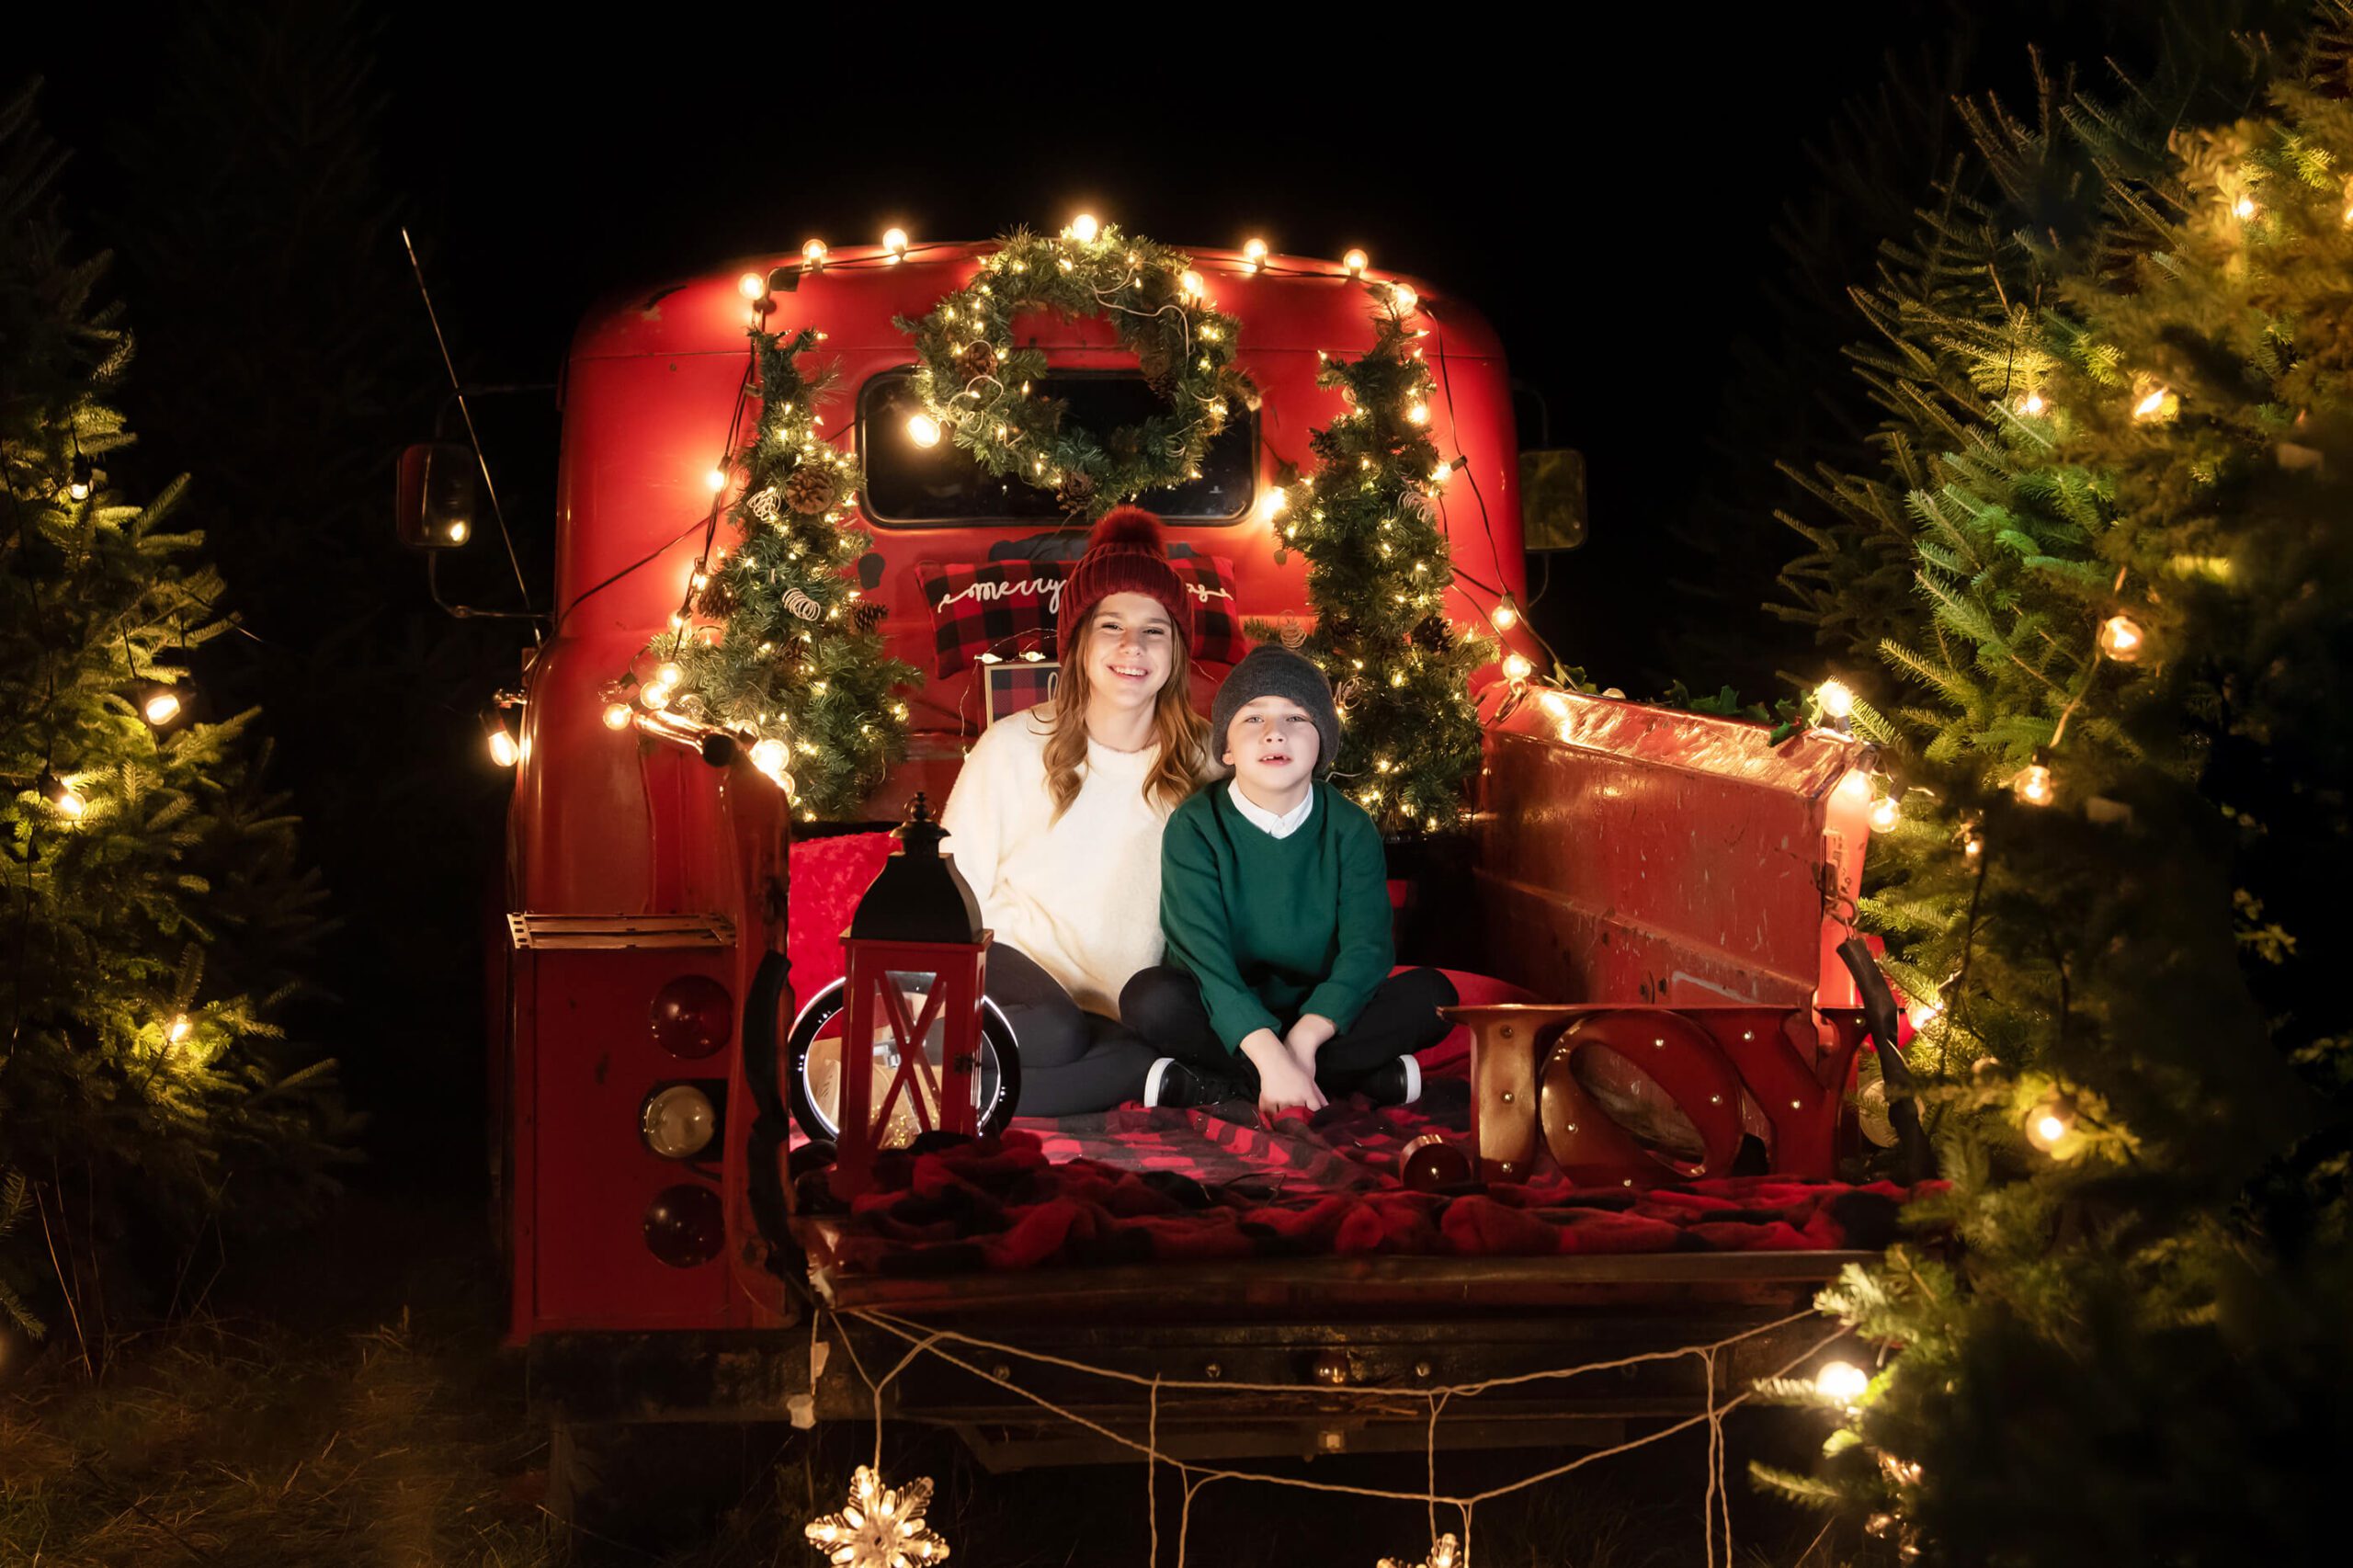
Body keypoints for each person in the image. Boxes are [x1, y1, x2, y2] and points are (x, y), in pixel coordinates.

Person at [938, 505, 1211, 1116]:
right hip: (1014, 983)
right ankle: (940, 1058)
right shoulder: (1010, 746)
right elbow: (954, 892)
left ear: (1175, 651)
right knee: (1056, 1033)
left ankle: (968, 1089)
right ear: (1080, 641)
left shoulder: (1207, 759)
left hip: (1123, 1009)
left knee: (1140, 1045)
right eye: (1111, 625)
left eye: (1155, 629)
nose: (1132, 646)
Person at [1123, 644, 1459, 1119]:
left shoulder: (1350, 827)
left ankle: (1224, 1083)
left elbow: (1367, 949)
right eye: (1253, 720)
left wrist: (1301, 1042)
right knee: (1148, 999)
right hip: (1226, 1010)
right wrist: (1267, 1051)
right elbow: (1205, 959)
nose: (1275, 735)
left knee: (1434, 998)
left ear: (1323, 741)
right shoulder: (1195, 826)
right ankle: (1353, 1078)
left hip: (1320, 1015)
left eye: (1297, 719)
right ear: (1226, 747)